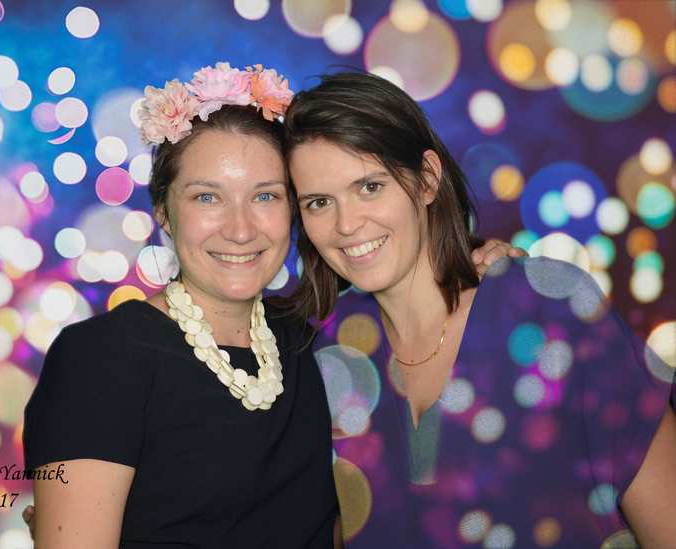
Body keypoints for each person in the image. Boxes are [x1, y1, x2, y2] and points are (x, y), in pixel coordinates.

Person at [21, 63, 521, 548]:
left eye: (265, 196)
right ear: (164, 213)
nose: (240, 230)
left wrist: (506, 280)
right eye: (207, 198)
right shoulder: (101, 358)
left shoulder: (323, 342)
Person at [283, 71, 676, 548]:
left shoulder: (549, 308)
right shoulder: (324, 352)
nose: (347, 224)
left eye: (369, 187)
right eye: (319, 202)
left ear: (427, 179)